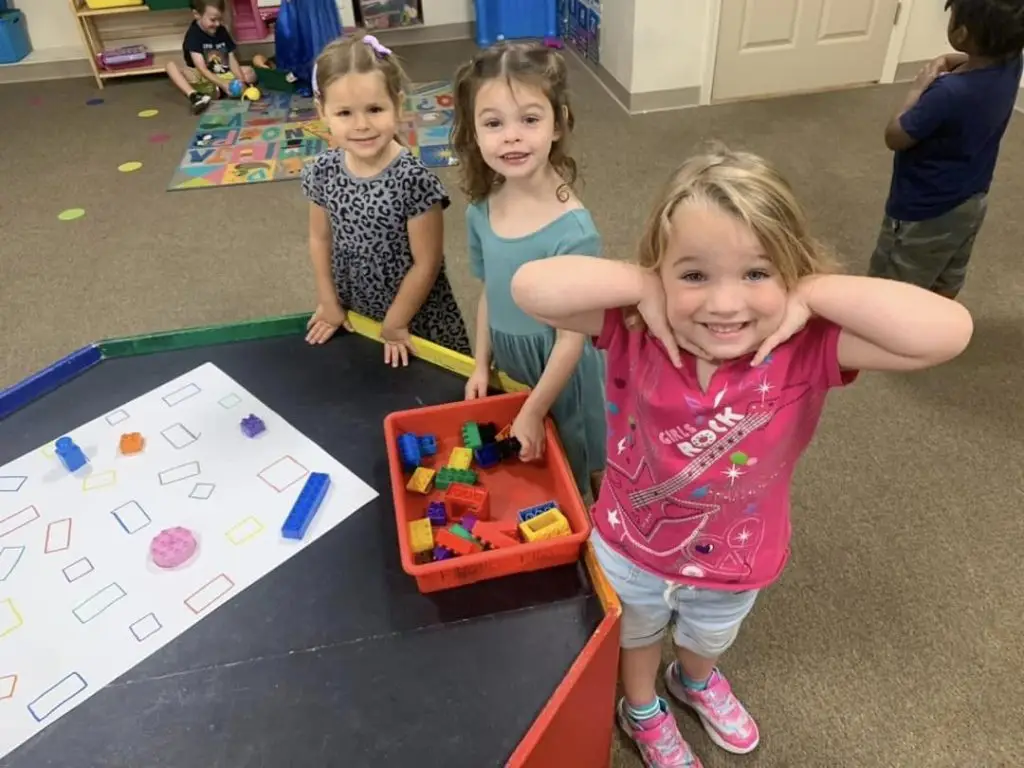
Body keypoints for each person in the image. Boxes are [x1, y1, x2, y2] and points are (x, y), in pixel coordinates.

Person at [511, 146, 974, 768]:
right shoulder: (634, 325)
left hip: (738, 554)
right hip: (631, 540)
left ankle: (694, 682)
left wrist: (813, 289)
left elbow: (946, 333)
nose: (725, 305)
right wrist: (643, 282)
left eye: (757, 273)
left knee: (709, 639)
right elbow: (530, 289)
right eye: (694, 275)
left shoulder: (807, 347)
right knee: (637, 635)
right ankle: (642, 707)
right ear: (661, 275)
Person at [451, 42, 607, 499]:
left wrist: (536, 408)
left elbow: (572, 340)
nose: (512, 137)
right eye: (494, 123)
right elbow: (489, 294)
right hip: (509, 359)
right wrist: (481, 364)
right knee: (528, 465)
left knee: (575, 463)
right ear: (473, 132)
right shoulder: (480, 211)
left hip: (559, 369)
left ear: (558, 124)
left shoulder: (574, 229)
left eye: (530, 120)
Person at [301, 32, 471, 365]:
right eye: (345, 113)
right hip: (355, 305)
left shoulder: (413, 179)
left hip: (413, 316)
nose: (361, 125)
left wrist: (395, 322)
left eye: (375, 109)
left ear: (398, 104)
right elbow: (319, 238)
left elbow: (427, 263)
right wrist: (328, 299)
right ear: (322, 111)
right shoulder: (321, 170)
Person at [868, 0, 1024, 298]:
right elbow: (975, 61)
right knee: (948, 272)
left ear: (962, 33)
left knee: (891, 286)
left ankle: (891, 340)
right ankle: (937, 330)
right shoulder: (1012, 62)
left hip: (924, 207)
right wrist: (954, 61)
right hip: (970, 200)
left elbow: (896, 136)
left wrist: (918, 88)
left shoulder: (947, 93)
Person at [166, 0, 258, 115]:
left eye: (220, 19)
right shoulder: (194, 35)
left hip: (221, 71)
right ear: (197, 15)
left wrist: (241, 80)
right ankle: (194, 95)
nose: (218, 24)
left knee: (250, 72)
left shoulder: (222, 31)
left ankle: (218, 90)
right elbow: (202, 68)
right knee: (170, 65)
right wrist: (222, 83)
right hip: (202, 75)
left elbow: (231, 58)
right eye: (213, 20)